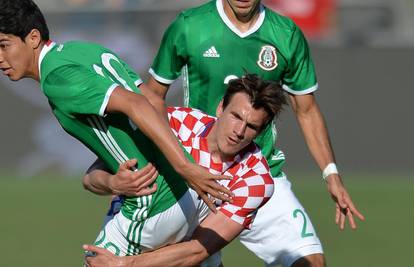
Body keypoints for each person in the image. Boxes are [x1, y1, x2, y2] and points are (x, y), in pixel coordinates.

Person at [0, 0, 234, 256]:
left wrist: (185, 167)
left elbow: (137, 104)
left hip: (152, 203)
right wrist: (111, 180)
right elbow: (150, 100)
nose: (0, 58)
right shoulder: (83, 51)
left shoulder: (57, 78)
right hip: (183, 194)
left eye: (4, 45)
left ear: (33, 37)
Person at [141, 0, 365, 266]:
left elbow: (306, 109)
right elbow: (151, 98)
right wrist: (164, 161)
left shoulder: (285, 33)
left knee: (310, 262)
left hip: (256, 174)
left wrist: (331, 174)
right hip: (197, 175)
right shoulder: (189, 26)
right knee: (186, 258)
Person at [84, 73, 287, 266]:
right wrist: (113, 183)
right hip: (121, 247)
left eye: (251, 126)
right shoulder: (174, 123)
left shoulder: (255, 179)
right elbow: (90, 179)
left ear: (260, 131)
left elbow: (198, 250)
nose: (239, 131)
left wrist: (124, 265)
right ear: (220, 108)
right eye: (235, 116)